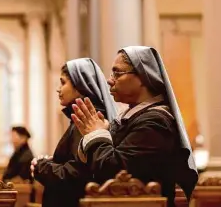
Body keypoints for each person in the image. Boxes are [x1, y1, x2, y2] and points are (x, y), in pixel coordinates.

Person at [72, 46, 198, 207]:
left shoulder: (155, 122)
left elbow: (115, 173)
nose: (110, 80)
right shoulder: (136, 117)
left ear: (143, 77)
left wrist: (96, 134)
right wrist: (101, 133)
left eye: (117, 73)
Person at [31, 58, 118, 207]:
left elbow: (74, 174)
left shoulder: (88, 120)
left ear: (80, 86)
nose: (58, 89)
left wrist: (41, 166)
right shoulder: (85, 118)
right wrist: (52, 162)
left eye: (63, 82)